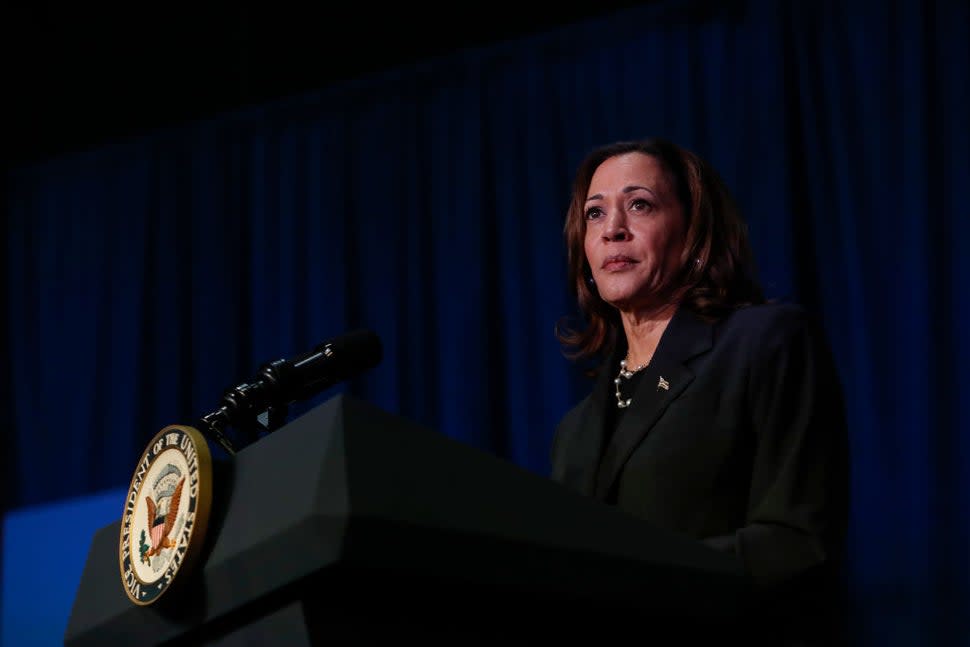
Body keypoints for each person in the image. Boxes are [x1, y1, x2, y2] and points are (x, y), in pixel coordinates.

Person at [550, 137, 850, 645]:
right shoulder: (575, 429)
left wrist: (639, 580)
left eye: (639, 204)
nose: (613, 230)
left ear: (693, 230)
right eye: (595, 215)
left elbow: (797, 542)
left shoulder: (765, 343)